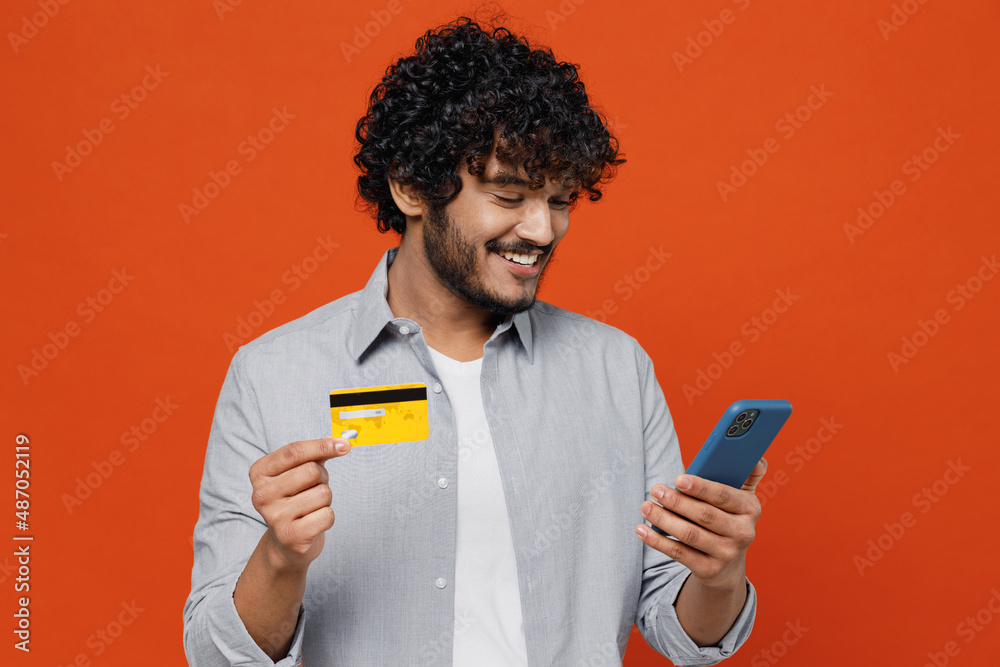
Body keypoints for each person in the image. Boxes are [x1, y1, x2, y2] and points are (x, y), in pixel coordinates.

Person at [183, 15, 765, 667]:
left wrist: (717, 571)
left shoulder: (616, 370)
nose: (543, 230)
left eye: (561, 199)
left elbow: (682, 631)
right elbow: (217, 653)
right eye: (509, 195)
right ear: (410, 186)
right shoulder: (273, 375)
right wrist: (281, 559)